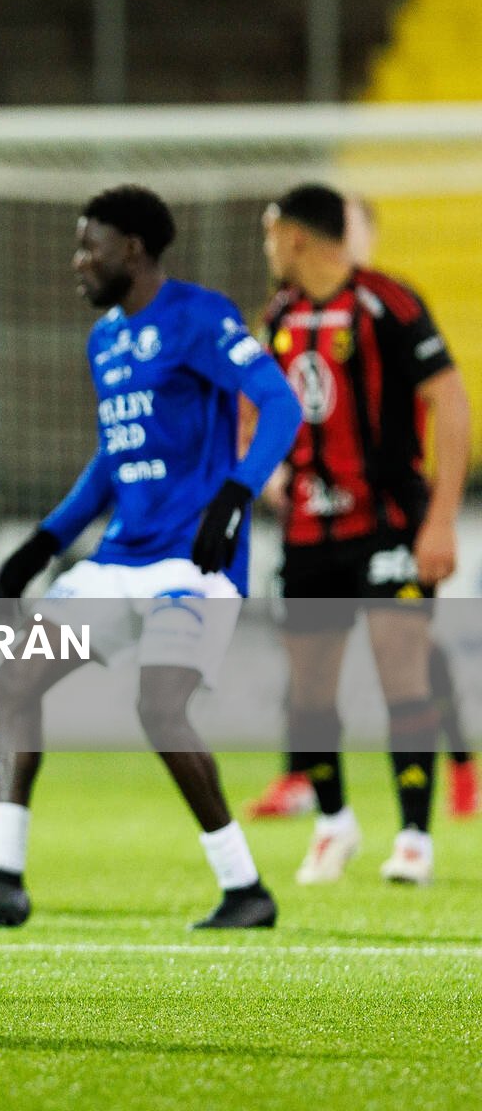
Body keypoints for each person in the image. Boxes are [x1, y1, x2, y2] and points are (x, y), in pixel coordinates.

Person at [0, 185, 301, 930]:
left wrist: (236, 495)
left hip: (192, 564)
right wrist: (46, 539)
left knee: (160, 706)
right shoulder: (106, 340)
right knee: (16, 679)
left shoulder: (197, 315)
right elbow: (113, 458)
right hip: (118, 561)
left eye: (90, 246)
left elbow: (280, 404)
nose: (77, 261)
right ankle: (2, 875)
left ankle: (244, 888)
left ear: (134, 250)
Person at [252, 184, 468, 885]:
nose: (267, 250)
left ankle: (413, 840)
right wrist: (266, 472)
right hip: (310, 531)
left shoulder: (388, 303)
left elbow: (453, 403)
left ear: (295, 238)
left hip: (389, 526)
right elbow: (252, 407)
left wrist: (440, 520)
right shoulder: (281, 315)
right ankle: (333, 823)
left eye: (269, 236)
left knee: (400, 670)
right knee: (311, 691)